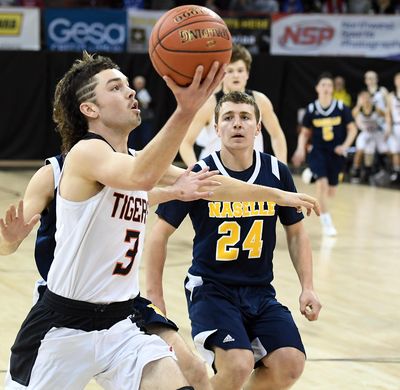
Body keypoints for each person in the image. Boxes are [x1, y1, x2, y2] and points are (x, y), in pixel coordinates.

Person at [3, 53, 319, 389]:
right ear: (90, 109)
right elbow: (141, 177)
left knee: (188, 376)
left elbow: (209, 183)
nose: (129, 92)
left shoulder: (133, 161)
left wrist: (279, 195)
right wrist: (185, 112)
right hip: (65, 322)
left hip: (121, 320)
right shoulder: (85, 153)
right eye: (115, 87)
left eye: (127, 84)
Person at [146, 92, 322, 390]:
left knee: (291, 363)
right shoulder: (201, 174)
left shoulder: (276, 172)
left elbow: (296, 232)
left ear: (258, 128)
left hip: (259, 290)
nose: (236, 124)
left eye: (244, 117)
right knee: (237, 363)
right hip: (211, 289)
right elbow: (158, 235)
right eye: (228, 118)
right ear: (216, 129)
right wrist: (154, 296)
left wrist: (308, 287)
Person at [0, 153, 220, 390]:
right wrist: (8, 241)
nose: (137, 112)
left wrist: (175, 192)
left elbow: (135, 197)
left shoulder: (134, 162)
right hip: (68, 304)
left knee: (193, 369)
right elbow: (6, 245)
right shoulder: (53, 173)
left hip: (123, 305)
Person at [179, 44, 287, 166]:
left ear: (247, 74)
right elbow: (185, 143)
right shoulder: (209, 104)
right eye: (230, 71)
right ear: (222, 75)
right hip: (217, 175)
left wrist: (282, 170)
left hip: (251, 172)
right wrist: (197, 172)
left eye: (240, 70)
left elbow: (277, 135)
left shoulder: (260, 100)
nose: (236, 75)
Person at [292, 72, 357, 236]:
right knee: (322, 184)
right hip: (318, 151)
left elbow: (353, 129)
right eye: (323, 85)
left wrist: (345, 146)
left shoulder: (341, 108)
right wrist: (300, 148)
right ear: (317, 88)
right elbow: (305, 133)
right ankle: (327, 222)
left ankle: (311, 175)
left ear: (333, 89)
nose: (326, 88)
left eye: (329, 85)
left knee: (331, 192)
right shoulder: (312, 108)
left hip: (336, 153)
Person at [350, 90, 387, 183]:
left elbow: (386, 116)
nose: (366, 99)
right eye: (363, 97)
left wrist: (383, 125)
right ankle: (356, 171)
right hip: (365, 132)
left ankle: (367, 173)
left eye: (367, 97)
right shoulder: (359, 109)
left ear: (371, 98)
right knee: (360, 150)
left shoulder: (376, 108)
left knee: (369, 154)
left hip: (374, 132)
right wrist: (359, 105)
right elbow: (352, 116)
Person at [128, 75, 155, 150]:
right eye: (137, 83)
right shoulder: (130, 93)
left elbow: (146, 105)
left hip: (145, 118)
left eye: (140, 83)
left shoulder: (145, 92)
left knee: (146, 137)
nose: (139, 85)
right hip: (133, 119)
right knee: (132, 138)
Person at [385, 72, 400, 184]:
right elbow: (388, 113)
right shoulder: (390, 96)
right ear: (395, 81)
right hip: (395, 125)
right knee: (394, 151)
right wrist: (388, 128)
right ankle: (396, 172)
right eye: (398, 79)